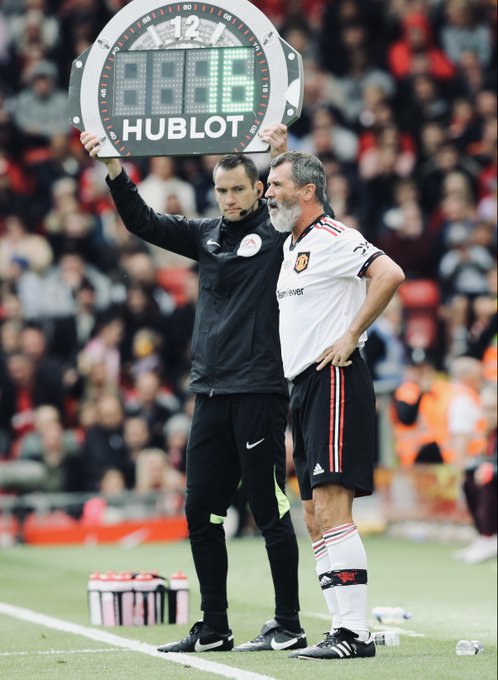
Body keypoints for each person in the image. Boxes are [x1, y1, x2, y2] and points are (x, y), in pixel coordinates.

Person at [80, 125, 306, 654]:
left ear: (259, 190)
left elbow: (319, 213)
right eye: (221, 190)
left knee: (268, 509)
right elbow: (142, 221)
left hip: (258, 392)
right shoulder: (204, 234)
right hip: (208, 395)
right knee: (200, 513)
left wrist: (282, 154)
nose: (229, 199)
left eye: (238, 190)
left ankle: (289, 622)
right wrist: (113, 167)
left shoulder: (280, 234)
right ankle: (214, 626)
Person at [265, 151, 405, 660]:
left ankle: (354, 634)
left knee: (331, 505)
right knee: (312, 513)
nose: (267, 191)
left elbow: (389, 273)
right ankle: (341, 627)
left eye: (276, 183)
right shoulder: (291, 246)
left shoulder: (333, 236)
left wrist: (351, 334)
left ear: (307, 191)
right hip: (303, 386)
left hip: (335, 379)